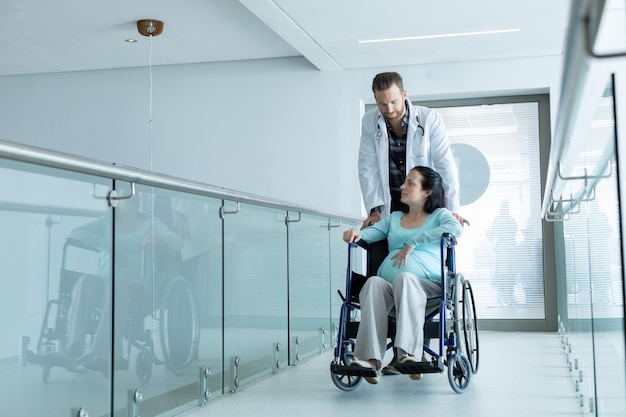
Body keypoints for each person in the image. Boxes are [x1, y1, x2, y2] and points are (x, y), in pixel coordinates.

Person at [342, 166, 463, 384]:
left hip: (429, 288)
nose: (402, 186)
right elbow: (368, 235)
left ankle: (409, 354)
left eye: (410, 183)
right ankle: (370, 360)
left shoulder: (439, 216)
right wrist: (355, 233)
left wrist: (414, 242)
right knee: (373, 284)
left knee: (405, 278)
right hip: (392, 289)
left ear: (427, 192)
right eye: (404, 182)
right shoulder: (394, 218)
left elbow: (456, 229)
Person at [358, 71, 469, 229]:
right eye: (382, 104)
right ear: (375, 99)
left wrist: (451, 209)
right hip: (390, 205)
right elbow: (367, 168)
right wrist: (374, 210)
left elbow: (445, 165)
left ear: (404, 94)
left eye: (393, 102)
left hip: (423, 204)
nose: (389, 109)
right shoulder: (369, 121)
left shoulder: (429, 119)